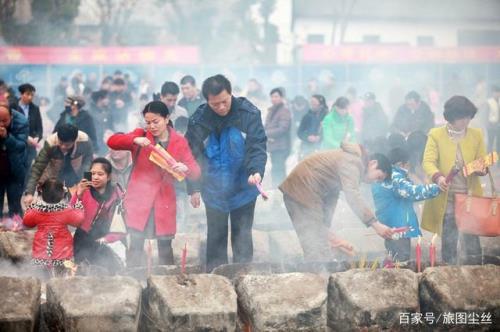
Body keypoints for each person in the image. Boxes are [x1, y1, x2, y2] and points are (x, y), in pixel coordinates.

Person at [185, 74, 267, 272]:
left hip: (243, 185)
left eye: (224, 101)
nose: (221, 107)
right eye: (215, 104)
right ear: (207, 101)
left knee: (242, 235)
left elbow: (257, 145)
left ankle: (244, 278)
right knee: (216, 236)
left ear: (231, 94)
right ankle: (217, 280)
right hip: (213, 188)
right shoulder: (199, 120)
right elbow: (192, 156)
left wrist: (255, 171)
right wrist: (194, 188)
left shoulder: (248, 113)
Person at [108, 101, 200, 267]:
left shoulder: (179, 141)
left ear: (166, 118)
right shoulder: (141, 135)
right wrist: (134, 139)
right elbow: (113, 141)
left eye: (155, 122)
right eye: (148, 122)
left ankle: (167, 281)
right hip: (139, 200)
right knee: (136, 243)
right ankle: (134, 278)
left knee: (165, 246)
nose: (151, 126)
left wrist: (185, 167)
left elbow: (195, 171)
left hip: (164, 200)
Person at [279, 143, 394, 261]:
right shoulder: (352, 162)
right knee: (316, 247)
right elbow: (352, 195)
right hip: (302, 191)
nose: (375, 181)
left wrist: (328, 232)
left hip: (302, 193)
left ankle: (320, 274)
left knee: (318, 243)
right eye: (378, 177)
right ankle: (318, 276)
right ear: (373, 163)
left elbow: (331, 196)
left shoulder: (350, 161)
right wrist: (376, 224)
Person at [422, 96, 487, 264]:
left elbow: (483, 161)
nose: (466, 121)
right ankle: (449, 273)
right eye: (462, 117)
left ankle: (475, 273)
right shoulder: (436, 135)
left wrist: (481, 168)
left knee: (472, 241)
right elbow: (428, 161)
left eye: (469, 117)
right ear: (451, 117)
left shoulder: (476, 134)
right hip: (447, 197)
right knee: (449, 237)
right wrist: (438, 177)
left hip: (469, 197)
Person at [372, 147, 441, 262]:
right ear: (401, 164)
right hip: (399, 229)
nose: (408, 168)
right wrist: (437, 188)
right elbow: (412, 192)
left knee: (392, 259)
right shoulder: (395, 176)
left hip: (389, 227)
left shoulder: (384, 176)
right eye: (407, 165)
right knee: (401, 261)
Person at [71, 158, 125, 273]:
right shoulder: (85, 191)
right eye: (93, 173)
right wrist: (78, 195)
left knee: (109, 270)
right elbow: (71, 217)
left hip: (106, 241)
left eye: (100, 174)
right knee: (82, 270)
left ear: (109, 177)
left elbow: (120, 226)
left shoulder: (117, 195)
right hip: (83, 239)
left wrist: (107, 239)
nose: (95, 177)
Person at [23, 178, 84, 276]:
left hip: (41, 252)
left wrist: (31, 206)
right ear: (61, 194)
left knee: (43, 278)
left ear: (42, 193)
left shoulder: (36, 210)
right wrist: (79, 205)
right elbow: (79, 221)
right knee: (62, 277)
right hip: (62, 252)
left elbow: (27, 222)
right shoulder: (66, 210)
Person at [24, 124, 94, 206]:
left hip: (75, 173)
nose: (63, 147)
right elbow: (38, 168)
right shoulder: (51, 143)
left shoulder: (84, 141)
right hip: (54, 175)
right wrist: (29, 193)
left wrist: (87, 184)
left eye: (67, 145)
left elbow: (88, 162)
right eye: (60, 143)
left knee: (74, 203)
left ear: (75, 140)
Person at [11, 83, 43, 187]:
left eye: (32, 95)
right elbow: (10, 127)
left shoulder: (35, 108)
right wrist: (25, 137)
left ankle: (24, 190)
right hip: (15, 144)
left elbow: (39, 128)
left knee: (27, 168)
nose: (30, 97)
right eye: (28, 94)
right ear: (21, 94)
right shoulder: (12, 107)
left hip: (30, 146)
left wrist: (37, 137)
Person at [0, 102, 29, 218]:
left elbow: (20, 145)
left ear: (11, 117)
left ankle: (15, 221)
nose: (1, 124)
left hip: (15, 165)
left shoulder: (22, 122)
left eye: (5, 121)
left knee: (14, 200)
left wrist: (7, 137)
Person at [265, 88, 291, 187]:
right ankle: (277, 191)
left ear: (282, 98)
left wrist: (266, 133)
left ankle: (281, 192)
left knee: (278, 170)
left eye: (276, 96)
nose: (273, 99)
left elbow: (283, 129)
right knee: (275, 169)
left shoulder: (284, 111)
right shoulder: (271, 110)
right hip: (273, 146)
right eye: (272, 97)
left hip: (280, 146)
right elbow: (267, 125)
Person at [485, 85, 500, 154]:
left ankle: (498, 162)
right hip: (491, 125)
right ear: (492, 93)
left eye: (498, 92)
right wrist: (487, 124)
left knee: (498, 144)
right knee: (490, 143)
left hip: (498, 125)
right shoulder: (489, 102)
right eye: (495, 92)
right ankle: (488, 161)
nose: (497, 94)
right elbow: (486, 114)